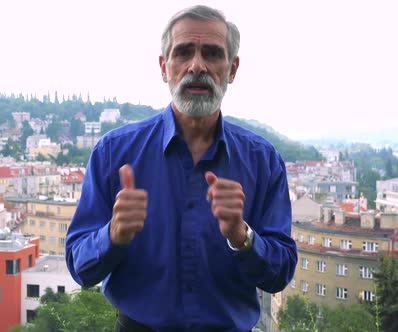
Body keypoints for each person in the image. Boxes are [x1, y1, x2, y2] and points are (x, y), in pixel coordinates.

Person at [65, 5, 297, 331]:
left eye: (213, 54)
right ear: (164, 66)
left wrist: (242, 238)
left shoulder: (263, 161)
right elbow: (79, 266)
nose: (197, 66)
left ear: (232, 69)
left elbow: (281, 273)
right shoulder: (113, 153)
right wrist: (113, 236)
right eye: (184, 52)